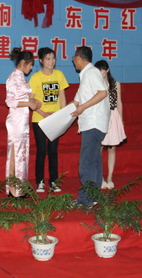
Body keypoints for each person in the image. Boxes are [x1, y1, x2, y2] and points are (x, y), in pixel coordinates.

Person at [70, 46, 110, 207]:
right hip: (93, 124)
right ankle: (94, 197)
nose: (73, 61)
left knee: (86, 163)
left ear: (79, 58)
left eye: (74, 58)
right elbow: (76, 101)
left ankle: (85, 199)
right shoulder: (86, 75)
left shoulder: (91, 73)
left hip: (93, 123)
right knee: (94, 162)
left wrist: (82, 107)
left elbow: (102, 93)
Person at [29, 47, 69, 193]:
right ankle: (40, 182)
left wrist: (63, 114)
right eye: (47, 59)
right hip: (40, 119)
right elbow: (31, 100)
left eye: (53, 58)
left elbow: (62, 96)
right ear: (41, 60)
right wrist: (43, 113)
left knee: (53, 151)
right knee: (41, 150)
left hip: (55, 119)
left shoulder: (59, 74)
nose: (51, 62)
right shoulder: (36, 77)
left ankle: (53, 181)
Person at [5, 48, 41, 197]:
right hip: (16, 120)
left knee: (22, 153)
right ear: (23, 63)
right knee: (15, 153)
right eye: (30, 64)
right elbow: (10, 101)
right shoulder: (13, 78)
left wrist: (33, 102)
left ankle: (20, 187)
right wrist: (28, 103)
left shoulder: (21, 78)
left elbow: (24, 99)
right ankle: (14, 189)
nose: (31, 68)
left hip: (23, 120)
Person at [95, 60, 126, 190]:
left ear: (107, 70)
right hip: (100, 117)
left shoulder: (115, 84)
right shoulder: (95, 84)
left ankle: (110, 177)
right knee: (99, 148)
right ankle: (100, 177)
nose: (100, 72)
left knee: (112, 148)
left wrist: (121, 120)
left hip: (113, 116)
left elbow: (119, 102)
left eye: (102, 70)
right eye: (98, 70)